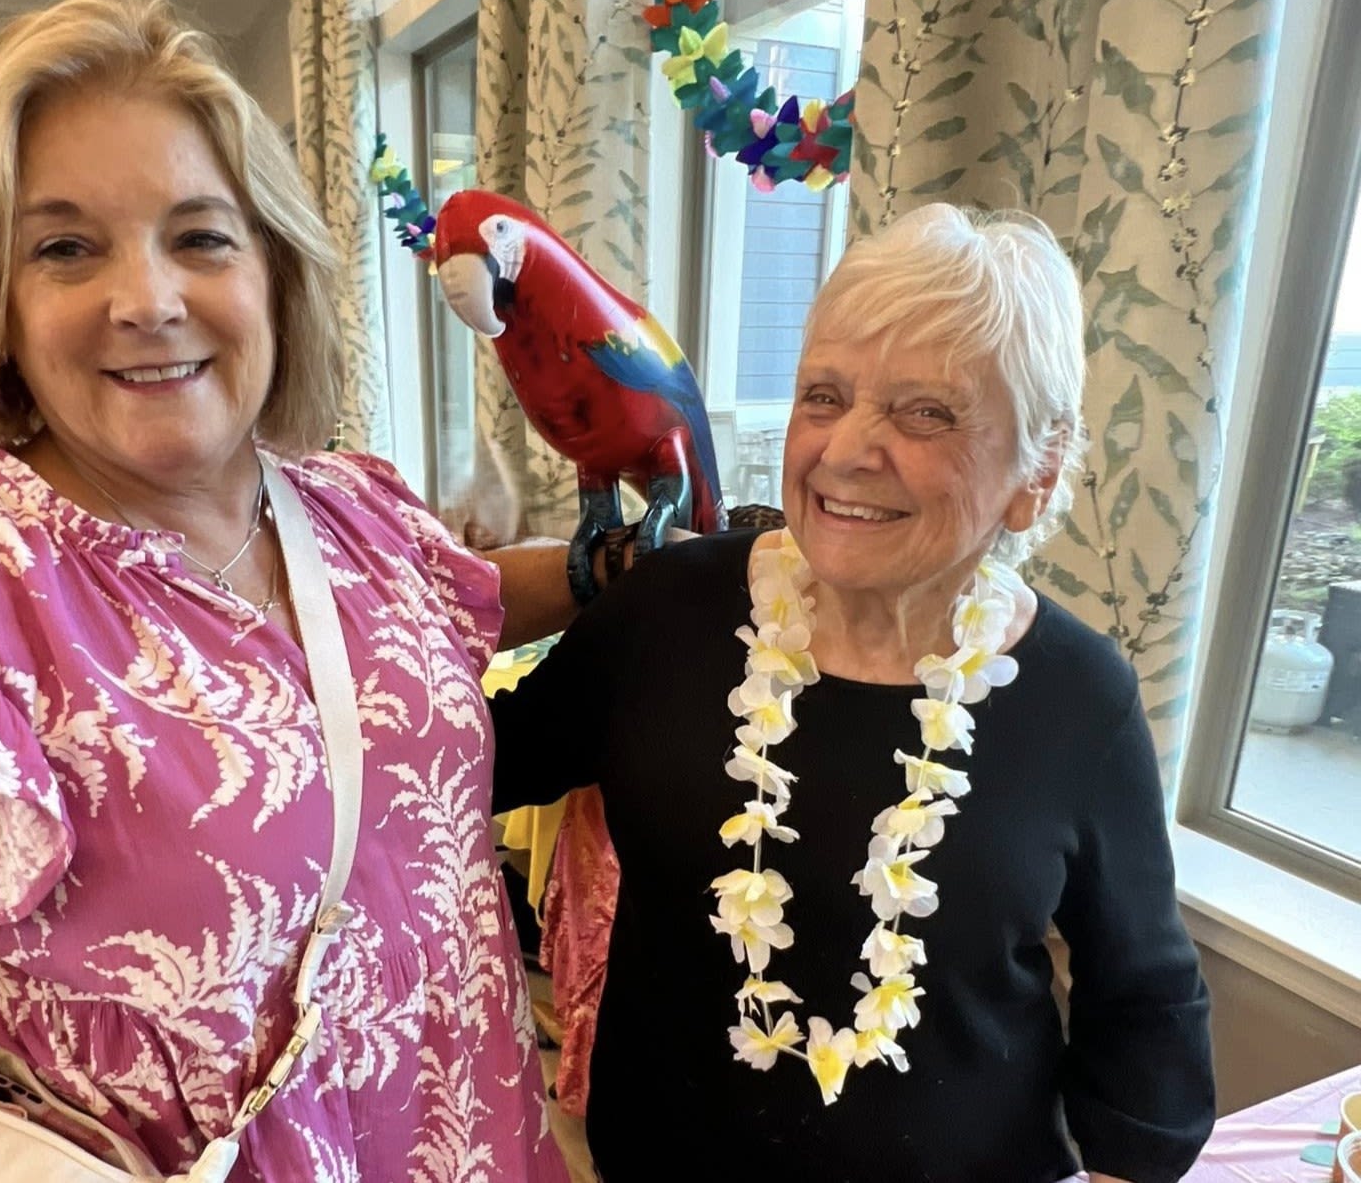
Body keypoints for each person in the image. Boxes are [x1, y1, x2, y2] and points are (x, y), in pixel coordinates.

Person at [0, 0, 572, 1180]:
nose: (148, 299)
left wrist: (625, 567)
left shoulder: (356, 509)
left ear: (274, 268)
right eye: (65, 247)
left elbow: (464, 600)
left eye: (200, 235)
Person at [492, 204, 1216, 1183]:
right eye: (824, 395)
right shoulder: (664, 613)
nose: (847, 450)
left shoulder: (1081, 695)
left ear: (1034, 473)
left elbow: (1148, 1003)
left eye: (927, 411)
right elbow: (453, 768)